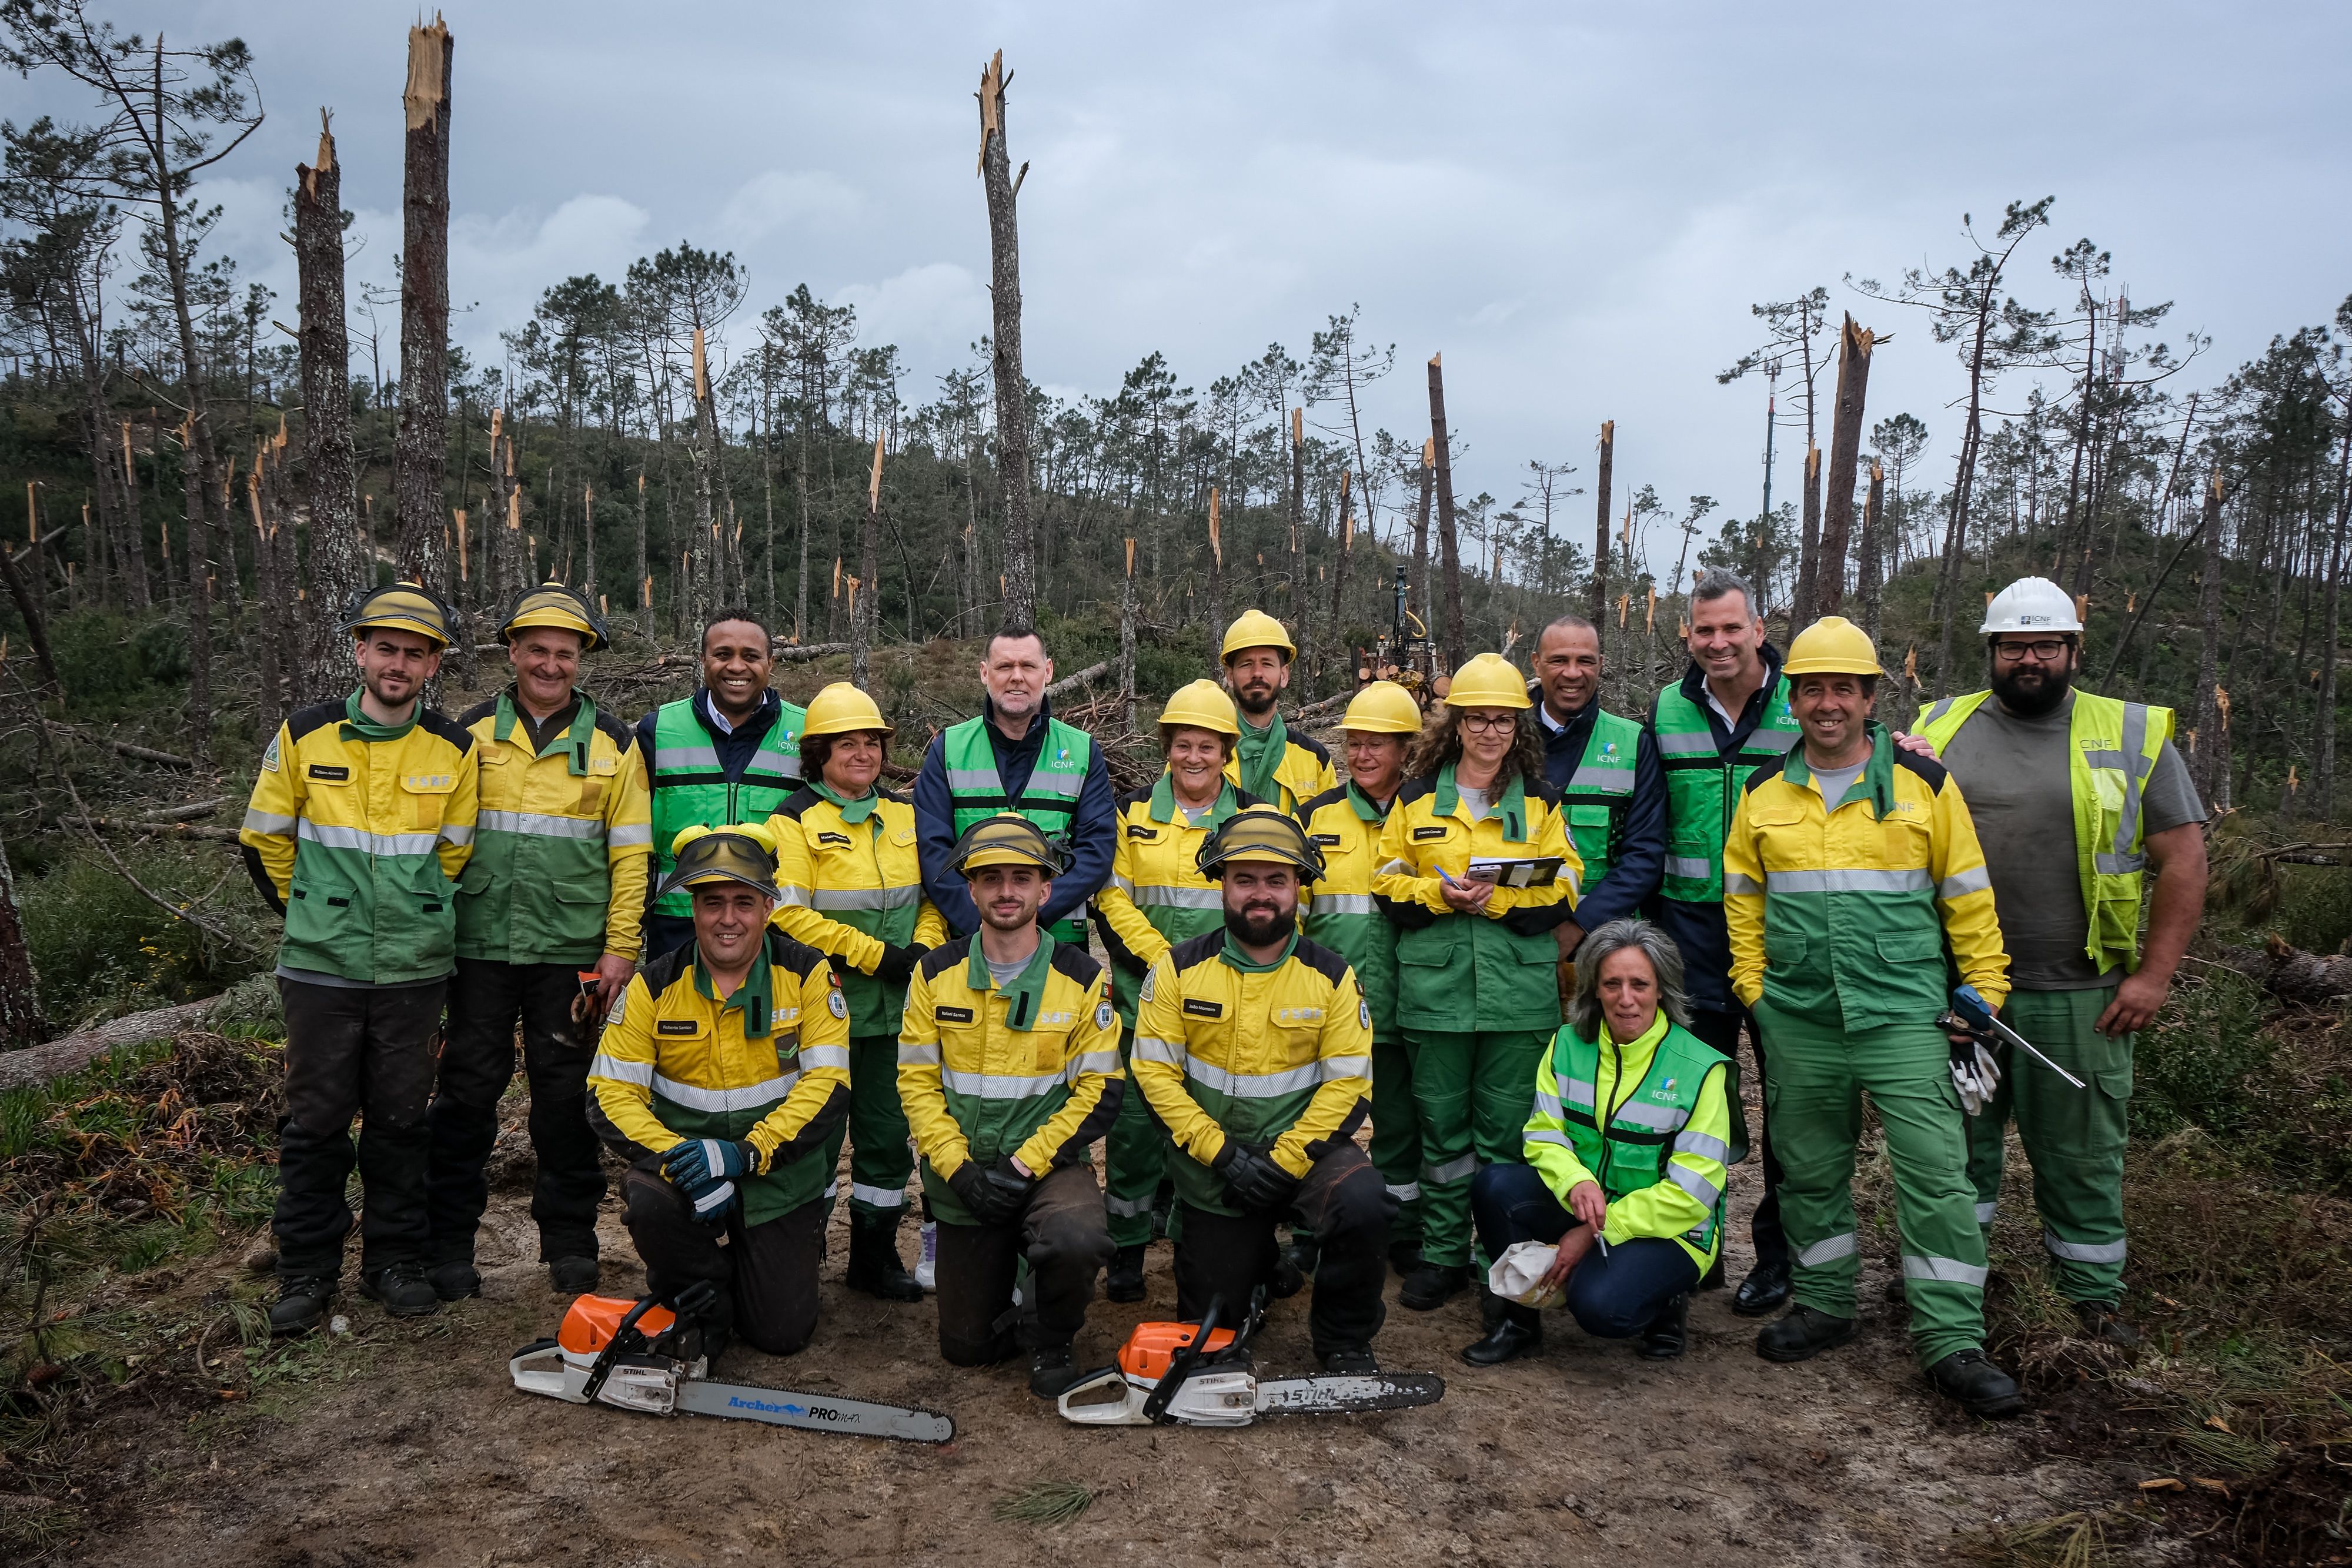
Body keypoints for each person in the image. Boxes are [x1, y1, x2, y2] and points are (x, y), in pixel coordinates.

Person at [1723, 616, 2025, 1418]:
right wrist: (1755, 991)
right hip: (1800, 1018)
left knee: (1934, 1176)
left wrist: (1985, 990)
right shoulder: (1761, 793)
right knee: (1810, 1169)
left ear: (1869, 697)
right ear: (1794, 697)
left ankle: (1951, 1340)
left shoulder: (1925, 787)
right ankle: (1824, 1301)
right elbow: (1743, 902)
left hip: (1904, 1018)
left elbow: (1967, 895)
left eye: (1845, 689)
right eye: (1814, 687)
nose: (1829, 702)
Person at [1915, 577, 2207, 1348]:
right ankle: (1953, 1291)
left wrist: (2153, 977)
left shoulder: (2135, 732)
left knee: (2081, 1158)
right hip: (1963, 994)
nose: (2030, 657)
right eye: (2014, 644)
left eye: (2047, 643)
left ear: (2076, 649)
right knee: (1955, 1155)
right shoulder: (1938, 726)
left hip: (2082, 994)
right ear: (1992, 651)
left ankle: (2090, 1301)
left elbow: (2183, 858)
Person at [239, 581, 480, 1335]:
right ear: (359, 651)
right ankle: (307, 1270)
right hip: (322, 966)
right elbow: (266, 838)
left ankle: (393, 1263)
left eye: (414, 653)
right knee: (314, 1124)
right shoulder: (305, 734)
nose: (398, 664)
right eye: (386, 649)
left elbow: (455, 853)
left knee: (401, 1122)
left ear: (433, 664)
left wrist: (411, 914)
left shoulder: (453, 748)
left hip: (413, 968)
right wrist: (314, 907)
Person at [427, 583, 652, 1301]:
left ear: (581, 659)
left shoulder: (616, 744)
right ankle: (449, 1247)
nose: (551, 665)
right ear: (514, 652)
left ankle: (570, 1244)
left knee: (564, 1103)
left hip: (572, 955)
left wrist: (619, 951)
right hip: (479, 949)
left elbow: (631, 856)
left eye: (565, 653)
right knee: (465, 1098)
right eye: (538, 651)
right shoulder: (467, 735)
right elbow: (437, 847)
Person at [1130, 807, 1391, 1372]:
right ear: (1221, 883)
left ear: (1300, 886)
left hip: (1304, 1157)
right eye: (1244, 878)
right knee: (1213, 1336)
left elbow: (1349, 1084)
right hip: (1213, 1168)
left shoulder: (1333, 977)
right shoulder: (1177, 971)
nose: (1261, 894)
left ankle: (1344, 1339)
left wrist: (1285, 1159)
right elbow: (1155, 1076)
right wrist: (1221, 1153)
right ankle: (1262, 1266)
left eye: (1277, 880)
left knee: (1364, 1201)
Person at [587, 824, 851, 1360]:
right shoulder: (654, 984)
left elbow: (828, 1086)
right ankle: (704, 1295)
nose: (728, 919)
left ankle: (750, 1274)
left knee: (781, 1335)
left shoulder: (807, 974)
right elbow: (609, 1092)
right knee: (648, 1201)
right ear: (693, 910)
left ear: (769, 908)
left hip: (776, 1176)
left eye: (743, 903)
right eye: (713, 903)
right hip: (688, 1182)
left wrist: (745, 1154)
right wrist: (679, 1158)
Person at [911, 623, 1119, 1289]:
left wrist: (1032, 915)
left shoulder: (1081, 751)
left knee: (1052, 1078)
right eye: (1004, 666)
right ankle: (941, 1228)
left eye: (1028, 666)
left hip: (1056, 943)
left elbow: (1095, 850)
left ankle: (1049, 1218)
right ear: (983, 673)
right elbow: (934, 845)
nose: (1016, 678)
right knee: (954, 1081)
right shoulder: (948, 749)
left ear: (1048, 671)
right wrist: (985, 920)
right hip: (966, 946)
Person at [1373, 653, 1581, 1313]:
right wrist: (1437, 893)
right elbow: (1384, 883)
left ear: (1517, 729)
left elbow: (1569, 886)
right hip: (1434, 997)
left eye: (1502, 721)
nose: (1489, 732)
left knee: (1508, 1137)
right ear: (1455, 725)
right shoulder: (1414, 799)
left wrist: (1498, 903)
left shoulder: (1540, 804)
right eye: (1477, 720)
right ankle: (1441, 1256)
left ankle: (1502, 1262)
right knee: (1442, 1137)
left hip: (1518, 1000)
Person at [896, 815, 1121, 1396]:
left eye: (1022, 878)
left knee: (1075, 1239)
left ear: (1045, 890)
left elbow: (1098, 1092)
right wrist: (958, 1169)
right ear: (969, 889)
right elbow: (917, 1084)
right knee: (966, 1350)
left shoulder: (1082, 978)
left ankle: (1050, 1334)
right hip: (965, 1173)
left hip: (1046, 1170)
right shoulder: (934, 974)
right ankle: (1009, 1282)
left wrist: (1023, 1165)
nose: (1006, 891)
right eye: (990, 878)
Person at [1462, 919, 1732, 1366]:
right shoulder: (1567, 1044)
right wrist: (1574, 1182)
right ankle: (1519, 1324)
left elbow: (1692, 1193)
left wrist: (1592, 1233)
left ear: (1661, 988)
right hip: (1590, 1201)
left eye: (1640, 984)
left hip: (1673, 1228)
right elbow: (1543, 1133)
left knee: (1601, 1308)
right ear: (1594, 989)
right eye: (1613, 984)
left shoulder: (1701, 1068)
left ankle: (1666, 1299)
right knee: (1494, 1186)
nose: (1626, 998)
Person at [1646, 567, 1801, 1314]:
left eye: (1730, 628)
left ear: (1758, 631)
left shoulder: (1804, 706)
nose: (1717, 642)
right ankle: (1694, 1244)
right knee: (1691, 1103)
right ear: (1688, 635)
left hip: (1782, 936)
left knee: (1788, 1107)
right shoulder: (1668, 710)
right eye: (1703, 630)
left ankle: (1780, 1258)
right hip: (1690, 939)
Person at [766, 682, 946, 1300]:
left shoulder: (904, 816)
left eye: (872, 742)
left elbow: (930, 898)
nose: (863, 753)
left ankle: (873, 1258)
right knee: (812, 1137)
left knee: (887, 1137)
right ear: (818, 753)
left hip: (896, 1013)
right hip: (825, 1010)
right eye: (848, 743)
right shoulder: (791, 821)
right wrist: (878, 956)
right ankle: (797, 1253)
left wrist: (921, 947)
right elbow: (787, 915)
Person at [1090, 679, 1264, 1300]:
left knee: (1213, 1132)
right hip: (1146, 1007)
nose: (1195, 757)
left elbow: (1271, 903)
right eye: (1183, 745)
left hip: (1227, 1011)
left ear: (1226, 751)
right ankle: (1128, 1254)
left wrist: (1211, 968)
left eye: (1208, 747)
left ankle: (1199, 1241)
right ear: (1167, 748)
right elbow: (1112, 899)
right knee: (1135, 1136)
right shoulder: (1131, 814)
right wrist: (1165, 960)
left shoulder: (1253, 817)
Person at [1298, 681, 1426, 1278]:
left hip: (1406, 997)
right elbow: (1293, 914)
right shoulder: (1315, 817)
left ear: (1406, 750)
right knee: (1317, 1116)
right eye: (1355, 743)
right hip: (1328, 1008)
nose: (1364, 755)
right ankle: (1310, 1227)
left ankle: (1402, 1230)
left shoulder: (1427, 815)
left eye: (1378, 745)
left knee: (1400, 1119)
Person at [636, 610, 806, 962]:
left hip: (778, 922)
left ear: (771, 663)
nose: (737, 667)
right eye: (723, 654)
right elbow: (630, 839)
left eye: (751, 656)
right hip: (677, 922)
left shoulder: (808, 733)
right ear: (703, 660)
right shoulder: (658, 731)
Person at [1527, 614, 1665, 952]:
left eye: (1585, 661)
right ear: (1537, 664)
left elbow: (1645, 854)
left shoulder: (1633, 743)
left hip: (1606, 945)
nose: (1572, 673)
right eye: (1559, 660)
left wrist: (1577, 927)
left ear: (1600, 664)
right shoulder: (1503, 737)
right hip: (1516, 939)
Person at [1220, 609, 1336, 814]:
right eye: (1247, 664)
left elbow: (1332, 831)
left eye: (1267, 664)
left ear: (1284, 675)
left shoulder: (1314, 759)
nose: (1257, 673)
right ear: (1230, 676)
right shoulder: (1202, 752)